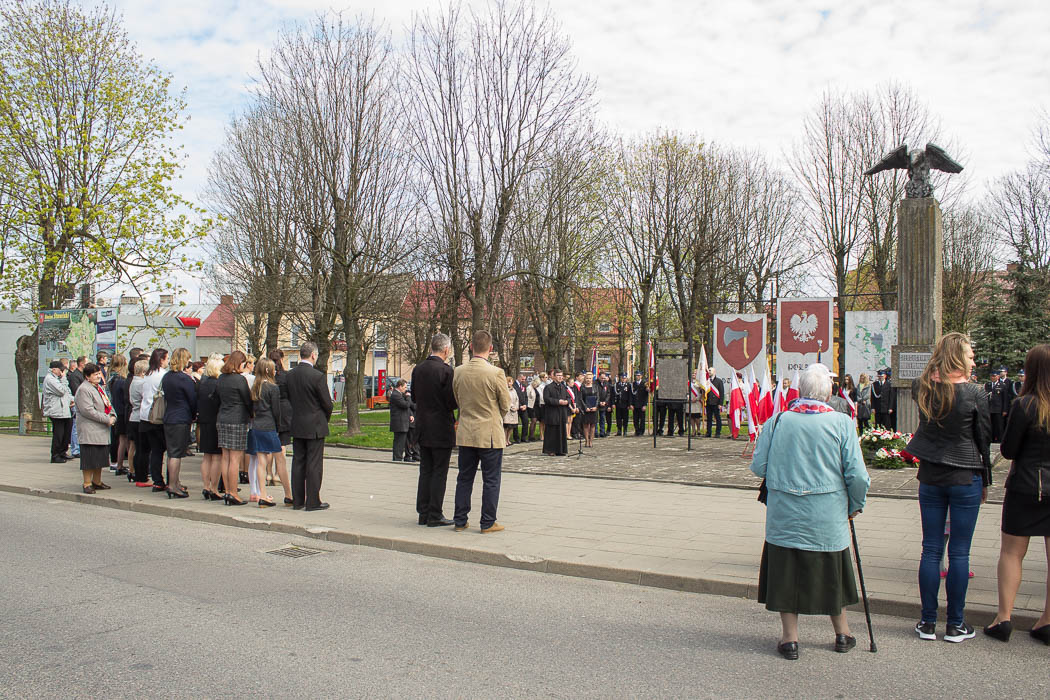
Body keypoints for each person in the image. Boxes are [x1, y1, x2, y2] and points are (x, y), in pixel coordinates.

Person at [749, 363, 870, 660]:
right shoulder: (842, 423)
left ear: (800, 390)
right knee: (833, 571)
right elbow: (858, 477)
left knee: (786, 573)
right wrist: (855, 506)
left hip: (785, 513)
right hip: (826, 514)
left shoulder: (778, 421)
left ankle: (790, 639)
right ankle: (842, 633)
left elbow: (758, 466)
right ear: (828, 393)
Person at [905, 332, 991, 643]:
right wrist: (987, 480)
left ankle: (927, 623)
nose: (973, 361)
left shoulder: (923, 388)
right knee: (959, 551)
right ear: (956, 357)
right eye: (969, 355)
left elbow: (929, 381)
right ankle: (956, 624)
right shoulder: (975, 394)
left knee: (930, 550)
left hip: (930, 477)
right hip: (966, 477)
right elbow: (984, 440)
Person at [984, 344, 1050, 645]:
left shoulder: (1026, 405)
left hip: (1027, 485)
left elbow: (1008, 450)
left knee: (1012, 553)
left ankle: (1004, 617)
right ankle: (1047, 621)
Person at [452, 330, 510, 533]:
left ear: (470, 347)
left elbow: (457, 399)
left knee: (464, 478)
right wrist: (495, 415)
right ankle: (487, 522)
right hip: (490, 434)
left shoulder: (458, 371)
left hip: (467, 431)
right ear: (491, 349)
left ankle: (460, 520)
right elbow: (505, 403)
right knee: (491, 480)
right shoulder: (496, 373)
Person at [411, 333, 456, 527]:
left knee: (425, 470)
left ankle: (423, 511)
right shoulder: (446, 371)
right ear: (446, 350)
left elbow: (413, 396)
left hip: (422, 425)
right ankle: (435, 514)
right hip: (441, 426)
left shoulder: (418, 369)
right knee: (439, 471)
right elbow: (451, 401)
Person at [286, 341, 333, 511]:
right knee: (314, 463)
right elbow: (327, 404)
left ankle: (297, 501)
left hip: (297, 423)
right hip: (315, 424)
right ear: (313, 355)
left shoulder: (290, 375)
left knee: (298, 461)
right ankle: (313, 501)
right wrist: (323, 418)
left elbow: (289, 398)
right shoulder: (317, 376)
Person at [75, 363, 117, 494]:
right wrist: (106, 419)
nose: (98, 376)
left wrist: (113, 415)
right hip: (90, 429)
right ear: (87, 376)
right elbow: (87, 410)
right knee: (89, 459)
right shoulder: (84, 389)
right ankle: (87, 483)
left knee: (99, 458)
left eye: (99, 373)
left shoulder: (98, 387)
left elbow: (107, 404)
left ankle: (97, 481)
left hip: (101, 429)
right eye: (95, 374)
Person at [216, 350, 252, 506]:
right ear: (239, 363)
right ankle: (233, 492)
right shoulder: (240, 380)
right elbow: (247, 400)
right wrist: (252, 414)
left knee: (225, 457)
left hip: (222, 417)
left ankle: (227, 491)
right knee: (235, 459)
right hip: (237, 419)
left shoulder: (221, 378)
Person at [159, 348, 196, 498]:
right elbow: (192, 399)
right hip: (181, 417)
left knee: (172, 452)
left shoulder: (167, 377)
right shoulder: (185, 379)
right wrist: (194, 415)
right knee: (176, 454)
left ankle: (175, 482)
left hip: (169, 416)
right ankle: (173, 485)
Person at [247, 357, 283, 508]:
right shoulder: (272, 388)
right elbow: (276, 410)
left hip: (256, 425)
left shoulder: (255, 386)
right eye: (273, 368)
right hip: (268, 426)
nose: (275, 370)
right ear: (268, 370)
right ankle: (263, 495)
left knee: (259, 462)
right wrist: (279, 426)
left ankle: (261, 493)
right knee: (268, 460)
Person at [140, 349, 169, 491]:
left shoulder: (147, 374)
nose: (168, 361)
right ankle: (169, 480)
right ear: (161, 359)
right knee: (165, 449)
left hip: (145, 415)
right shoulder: (163, 375)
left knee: (156, 450)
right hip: (158, 416)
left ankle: (157, 480)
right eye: (167, 358)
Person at [196, 354, 224, 501]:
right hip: (216, 421)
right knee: (217, 457)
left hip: (204, 420)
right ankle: (214, 488)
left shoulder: (202, 383)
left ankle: (206, 486)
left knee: (206, 456)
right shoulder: (218, 384)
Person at [268, 349, 294, 497]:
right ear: (282, 359)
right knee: (282, 443)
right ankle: (279, 473)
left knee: (270, 443)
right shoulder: (286, 376)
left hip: (270, 409)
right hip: (285, 409)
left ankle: (268, 473)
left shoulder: (267, 376)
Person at [42, 360, 74, 463]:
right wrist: (64, 378)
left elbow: (67, 392)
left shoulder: (57, 378)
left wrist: (72, 400)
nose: (62, 372)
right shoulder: (50, 379)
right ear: (54, 369)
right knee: (58, 434)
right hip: (56, 411)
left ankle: (62, 452)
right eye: (61, 370)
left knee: (66, 432)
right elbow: (61, 391)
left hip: (64, 410)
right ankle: (55, 455)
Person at [127, 359, 150, 486]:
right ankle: (142, 476)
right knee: (143, 449)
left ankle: (135, 472)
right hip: (139, 417)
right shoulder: (141, 383)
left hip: (133, 417)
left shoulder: (133, 381)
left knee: (137, 447)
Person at [106, 355, 129, 476]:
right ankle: (117, 463)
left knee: (117, 437)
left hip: (113, 409)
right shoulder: (120, 380)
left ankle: (115, 462)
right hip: (119, 411)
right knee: (121, 438)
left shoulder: (111, 378)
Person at [542, 369, 570, 456]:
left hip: (562, 413)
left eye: (561, 375)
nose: (560, 377)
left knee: (561, 431)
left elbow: (568, 397)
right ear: (553, 376)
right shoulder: (548, 387)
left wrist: (567, 401)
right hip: (552, 413)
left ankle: (560, 450)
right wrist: (558, 402)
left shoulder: (563, 387)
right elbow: (547, 399)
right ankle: (550, 450)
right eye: (558, 375)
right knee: (552, 432)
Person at [389, 379, 414, 462]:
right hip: (399, 422)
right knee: (399, 442)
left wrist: (410, 415)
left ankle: (403, 457)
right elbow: (406, 405)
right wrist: (408, 396)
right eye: (405, 387)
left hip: (403, 421)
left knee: (404, 440)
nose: (405, 389)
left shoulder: (399, 394)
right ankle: (397, 458)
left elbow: (405, 408)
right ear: (400, 386)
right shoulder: (396, 395)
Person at [66, 356, 86, 457]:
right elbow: (76, 390)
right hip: (76, 403)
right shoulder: (75, 376)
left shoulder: (81, 374)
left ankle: (78, 448)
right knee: (75, 427)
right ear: (81, 363)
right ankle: (75, 449)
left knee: (79, 426)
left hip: (81, 402)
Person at [986, 368, 1008, 442]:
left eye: (994, 376)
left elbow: (1005, 399)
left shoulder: (1002, 385)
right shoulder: (987, 385)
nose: (992, 377)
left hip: (998, 409)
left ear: (998, 376)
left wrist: (1005, 410)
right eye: (991, 376)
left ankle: (999, 440)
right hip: (989, 409)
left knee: (999, 426)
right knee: (990, 426)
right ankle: (991, 439)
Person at [579, 372, 599, 447]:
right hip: (586, 409)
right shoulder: (582, 387)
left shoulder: (595, 386)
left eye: (590, 378)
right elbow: (580, 398)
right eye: (587, 378)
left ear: (592, 379)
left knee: (593, 425)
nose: (588, 380)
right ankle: (586, 440)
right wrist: (585, 407)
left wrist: (596, 407)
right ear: (585, 379)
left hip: (593, 408)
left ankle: (591, 441)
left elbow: (598, 398)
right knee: (586, 425)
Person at [705, 370, 725, 437]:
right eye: (709, 371)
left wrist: (720, 403)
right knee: (709, 418)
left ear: (714, 372)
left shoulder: (719, 381)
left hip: (716, 403)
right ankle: (708, 432)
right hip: (708, 402)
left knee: (717, 418)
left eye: (710, 370)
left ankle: (718, 432)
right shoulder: (707, 381)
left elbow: (721, 393)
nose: (709, 372)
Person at [503, 375, 520, 446]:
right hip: (508, 411)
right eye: (509, 382)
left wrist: (516, 407)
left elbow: (517, 399)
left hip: (514, 411)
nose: (511, 383)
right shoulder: (505, 390)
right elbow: (505, 399)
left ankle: (508, 439)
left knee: (511, 427)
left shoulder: (514, 390)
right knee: (506, 426)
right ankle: (504, 440)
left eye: (511, 382)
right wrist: (511, 406)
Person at [513, 373, 529, 442]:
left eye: (524, 379)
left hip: (524, 407)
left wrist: (525, 405)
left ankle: (524, 437)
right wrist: (519, 406)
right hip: (517, 407)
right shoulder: (513, 385)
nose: (524, 380)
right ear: (518, 378)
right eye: (522, 379)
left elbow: (526, 396)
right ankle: (516, 438)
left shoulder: (524, 385)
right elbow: (514, 397)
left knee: (526, 421)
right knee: (516, 423)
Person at [632, 372, 648, 436]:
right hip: (635, 404)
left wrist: (645, 405)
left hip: (641, 404)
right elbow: (631, 395)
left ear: (641, 376)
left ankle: (642, 431)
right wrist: (631, 404)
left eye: (639, 375)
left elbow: (646, 396)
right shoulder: (633, 384)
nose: (637, 377)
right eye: (636, 376)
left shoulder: (644, 384)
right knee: (635, 419)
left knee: (642, 419)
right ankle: (637, 430)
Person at [526, 376, 541, 443]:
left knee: (535, 422)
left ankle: (533, 435)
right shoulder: (529, 388)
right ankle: (530, 436)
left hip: (536, 406)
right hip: (531, 407)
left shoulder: (535, 389)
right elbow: (527, 397)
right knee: (533, 421)